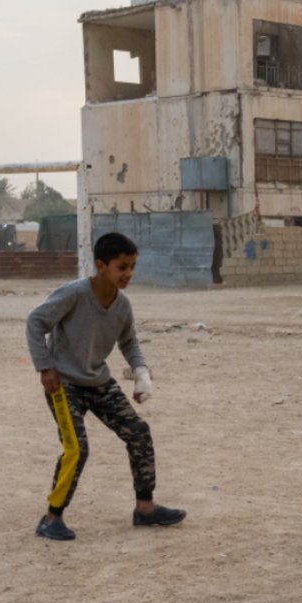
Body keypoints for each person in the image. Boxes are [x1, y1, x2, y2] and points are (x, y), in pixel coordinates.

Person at [25, 231, 185, 541]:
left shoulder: (123, 305)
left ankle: (145, 509)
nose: (129, 274)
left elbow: (129, 342)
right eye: (122, 267)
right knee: (77, 448)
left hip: (99, 382)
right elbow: (35, 322)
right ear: (101, 265)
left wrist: (141, 374)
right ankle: (51, 518)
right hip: (64, 385)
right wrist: (44, 367)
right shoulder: (74, 294)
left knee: (138, 433)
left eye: (132, 267)